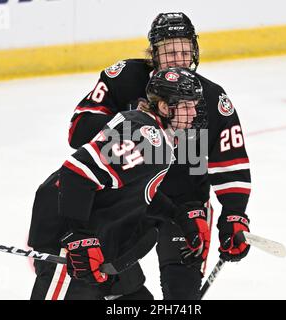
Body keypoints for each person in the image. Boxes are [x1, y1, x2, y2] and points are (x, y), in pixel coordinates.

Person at [29, 12, 252, 300]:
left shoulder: (207, 97)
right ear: (153, 53)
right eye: (169, 50)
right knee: (91, 282)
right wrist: (134, 125)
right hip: (119, 203)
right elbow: (78, 147)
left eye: (184, 49)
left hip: (175, 204)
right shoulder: (130, 91)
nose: (178, 57)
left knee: (179, 294)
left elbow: (231, 161)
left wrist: (233, 213)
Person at [29, 67, 210, 299]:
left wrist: (177, 215)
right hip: (71, 246)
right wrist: (78, 235)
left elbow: (135, 191)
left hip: (106, 247)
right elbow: (76, 174)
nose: (194, 112)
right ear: (165, 108)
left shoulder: (157, 135)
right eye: (187, 105)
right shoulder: (145, 137)